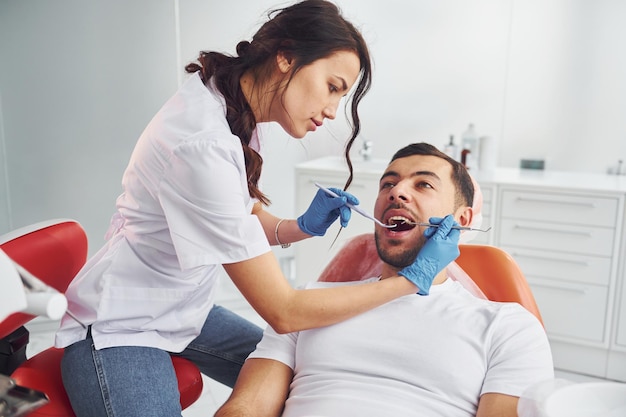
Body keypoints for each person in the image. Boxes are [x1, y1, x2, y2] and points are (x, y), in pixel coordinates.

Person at [53, 3, 460, 417]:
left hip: (181, 307)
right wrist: (410, 280)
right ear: (285, 57)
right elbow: (283, 312)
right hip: (125, 322)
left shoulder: (233, 111)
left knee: (303, 368)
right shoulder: (203, 145)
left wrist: (299, 226)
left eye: (342, 95)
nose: (334, 110)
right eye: (332, 86)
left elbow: (238, 219)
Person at [215, 142, 554, 417]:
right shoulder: (309, 303)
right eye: (388, 184)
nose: (397, 192)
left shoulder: (509, 328)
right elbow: (248, 407)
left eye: (423, 184)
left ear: (461, 220)